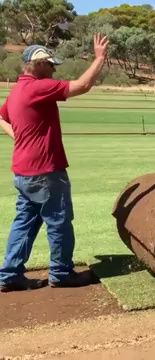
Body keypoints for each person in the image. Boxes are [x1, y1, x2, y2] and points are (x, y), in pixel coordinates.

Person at [0, 34, 109, 292]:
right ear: (38, 65)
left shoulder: (17, 90)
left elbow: (0, 117)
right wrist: (100, 58)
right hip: (46, 172)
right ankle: (61, 273)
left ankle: (9, 275)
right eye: (51, 65)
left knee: (24, 222)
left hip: (23, 172)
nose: (53, 69)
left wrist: (19, 137)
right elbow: (82, 85)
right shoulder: (38, 87)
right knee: (59, 220)